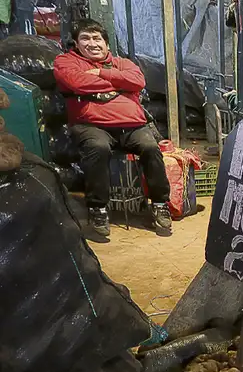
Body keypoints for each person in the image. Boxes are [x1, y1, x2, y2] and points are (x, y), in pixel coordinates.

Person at [54, 18, 172, 238]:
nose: (92, 43)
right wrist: (120, 83)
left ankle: (160, 204)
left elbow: (137, 81)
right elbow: (77, 83)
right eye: (85, 38)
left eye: (97, 38)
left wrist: (102, 74)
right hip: (91, 125)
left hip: (131, 126)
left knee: (150, 147)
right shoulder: (66, 62)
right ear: (76, 44)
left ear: (106, 43)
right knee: (98, 148)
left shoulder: (123, 63)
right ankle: (98, 208)